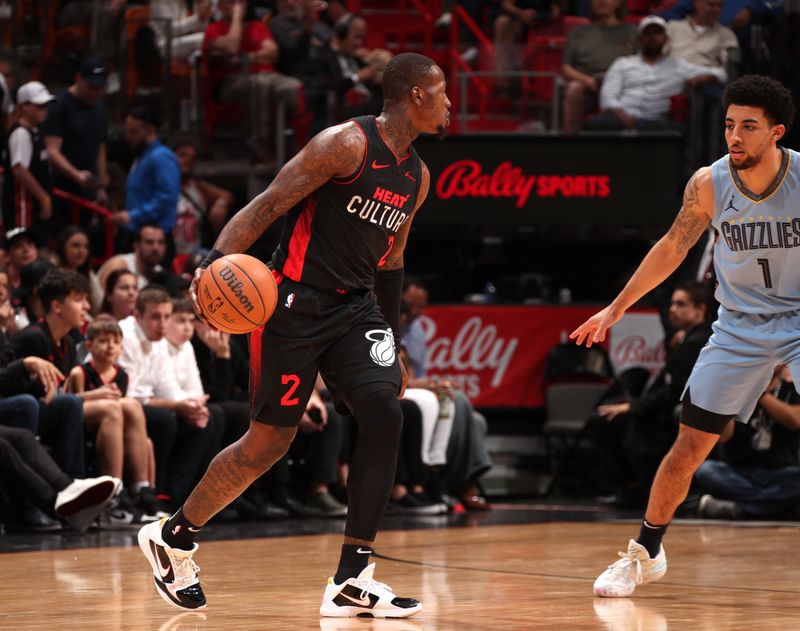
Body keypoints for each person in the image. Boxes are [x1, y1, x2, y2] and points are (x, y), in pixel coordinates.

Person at [138, 51, 449, 617]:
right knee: (267, 444)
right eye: (443, 92)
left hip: (356, 309)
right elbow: (268, 204)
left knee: (385, 411)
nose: (451, 103)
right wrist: (213, 262)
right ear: (417, 97)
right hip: (290, 306)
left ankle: (352, 577)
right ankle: (173, 536)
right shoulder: (344, 145)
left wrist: (395, 342)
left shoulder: (417, 177)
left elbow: (394, 259)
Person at [570, 74, 798, 598]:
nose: (734, 136)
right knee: (690, 444)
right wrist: (615, 308)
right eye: (728, 125)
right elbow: (672, 249)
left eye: (748, 127)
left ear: (776, 132)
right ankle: (644, 553)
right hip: (738, 327)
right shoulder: (709, 183)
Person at [586, 282, 712, 507]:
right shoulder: (684, 338)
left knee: (608, 423)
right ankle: (631, 486)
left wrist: (633, 407)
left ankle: (637, 488)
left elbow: (676, 391)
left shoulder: (697, 342)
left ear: (700, 310)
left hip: (670, 412)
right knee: (603, 418)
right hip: (659, 406)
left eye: (680, 304)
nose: (672, 309)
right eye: (672, 303)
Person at [66, 317, 159, 524]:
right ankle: (114, 494)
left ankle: (142, 490)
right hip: (86, 421)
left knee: (138, 421)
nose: (110, 347)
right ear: (89, 345)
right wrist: (97, 394)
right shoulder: (79, 372)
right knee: (115, 407)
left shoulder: (122, 375)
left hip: (113, 425)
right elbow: (70, 402)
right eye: (104, 341)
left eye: (116, 342)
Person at [584, 15, 726, 131]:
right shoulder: (622, 63)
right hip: (622, 117)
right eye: (648, 33)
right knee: (595, 125)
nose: (653, 37)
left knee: (676, 130)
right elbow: (608, 97)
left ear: (666, 39)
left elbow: (721, 74)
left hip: (658, 121)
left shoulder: (678, 66)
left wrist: (704, 78)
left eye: (657, 33)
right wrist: (625, 118)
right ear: (640, 39)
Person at [695, 364, 800, 520]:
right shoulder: (738, 388)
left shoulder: (793, 385)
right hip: (738, 472)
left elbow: (795, 420)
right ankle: (771, 507)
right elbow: (724, 435)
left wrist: (759, 393)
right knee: (706, 470)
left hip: (780, 472)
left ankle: (742, 509)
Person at [43, 56, 110, 215]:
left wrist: (100, 185)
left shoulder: (99, 109)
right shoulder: (60, 105)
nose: (95, 92)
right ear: (79, 79)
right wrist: (76, 175)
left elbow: (100, 146)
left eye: (99, 88)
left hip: (87, 189)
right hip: (61, 189)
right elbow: (52, 150)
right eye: (91, 87)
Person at [561, 0, 637, 134]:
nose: (601, 1)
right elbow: (566, 68)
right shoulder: (578, 32)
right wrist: (586, 80)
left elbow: (641, 64)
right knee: (574, 88)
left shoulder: (632, 32)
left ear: (618, 3)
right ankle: (571, 142)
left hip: (622, 86)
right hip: (589, 84)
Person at [112, 108, 180, 252]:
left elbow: (167, 197)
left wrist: (133, 215)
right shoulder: (141, 156)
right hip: (138, 236)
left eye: (133, 132)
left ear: (149, 130)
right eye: (127, 131)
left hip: (156, 240)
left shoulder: (161, 157)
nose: (128, 137)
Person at [2, 81, 55, 243]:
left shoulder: (35, 131)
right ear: (24, 106)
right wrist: (43, 198)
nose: (44, 110)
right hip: (23, 207)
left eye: (46, 105)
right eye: (39, 106)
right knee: (23, 244)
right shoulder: (20, 134)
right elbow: (19, 169)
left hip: (33, 207)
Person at [172, 136, 234, 255]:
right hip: (167, 252)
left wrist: (221, 204)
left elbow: (227, 195)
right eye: (183, 155)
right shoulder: (162, 187)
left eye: (193, 158)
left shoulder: (198, 187)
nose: (188, 161)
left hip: (193, 253)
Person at [98, 224, 169, 291]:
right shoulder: (119, 265)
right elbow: (101, 300)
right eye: (149, 242)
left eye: (161, 242)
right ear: (136, 246)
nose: (156, 248)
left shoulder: (160, 273)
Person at [55, 225, 104, 314]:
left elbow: (100, 305)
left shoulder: (89, 274)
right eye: (76, 246)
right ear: (63, 247)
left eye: (86, 247)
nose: (81, 251)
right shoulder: (53, 275)